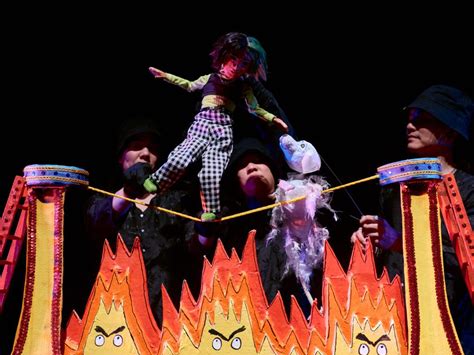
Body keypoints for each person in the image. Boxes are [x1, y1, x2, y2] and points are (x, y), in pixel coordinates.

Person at [351, 84, 474, 355]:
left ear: (450, 132)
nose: (410, 126)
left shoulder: (469, 189)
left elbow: (463, 258)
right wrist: (370, 244)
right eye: (410, 119)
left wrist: (399, 242)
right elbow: (391, 255)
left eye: (422, 120)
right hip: (395, 320)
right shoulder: (395, 188)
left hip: (452, 327)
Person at [144, 32, 288, 221]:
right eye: (234, 59)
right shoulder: (209, 79)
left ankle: (211, 209)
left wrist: (272, 118)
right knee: (181, 158)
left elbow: (255, 108)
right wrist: (166, 76)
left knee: (212, 172)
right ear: (224, 57)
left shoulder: (244, 87)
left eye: (244, 63)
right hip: (203, 124)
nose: (236, 66)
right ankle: (157, 180)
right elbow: (189, 85)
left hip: (223, 129)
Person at [190, 136, 331, 317]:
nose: (251, 167)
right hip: (249, 320)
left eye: (258, 161)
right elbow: (199, 252)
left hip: (303, 318)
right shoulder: (228, 224)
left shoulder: (303, 206)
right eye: (243, 165)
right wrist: (205, 231)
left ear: (273, 172)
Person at [85, 116, 200, 327]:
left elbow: (197, 246)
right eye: (137, 146)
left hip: (168, 322)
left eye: (152, 149)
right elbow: (98, 223)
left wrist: (207, 227)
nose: (145, 153)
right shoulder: (101, 200)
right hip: (116, 324)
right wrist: (131, 188)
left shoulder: (176, 202)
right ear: (121, 157)